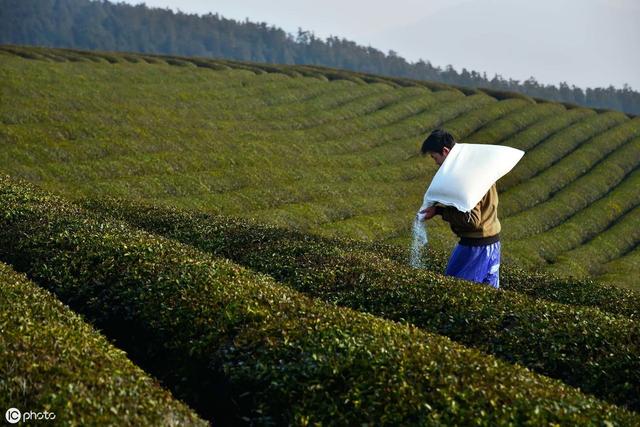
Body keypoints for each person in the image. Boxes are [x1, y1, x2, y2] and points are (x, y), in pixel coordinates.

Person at [418, 129, 501, 289]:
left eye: (435, 158)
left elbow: (472, 220)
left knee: (461, 293)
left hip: (479, 246)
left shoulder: (466, 176)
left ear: (445, 151)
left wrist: (441, 212)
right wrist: (437, 210)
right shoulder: (473, 165)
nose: (436, 163)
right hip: (480, 241)